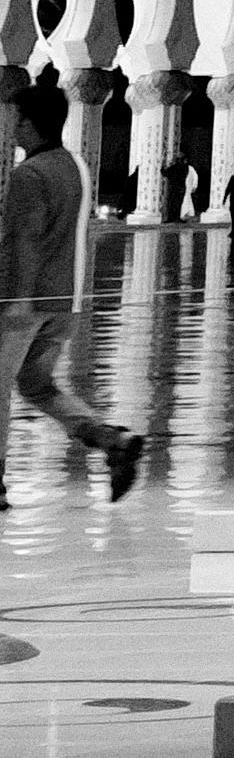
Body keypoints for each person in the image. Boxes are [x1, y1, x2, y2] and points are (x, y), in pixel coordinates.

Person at [0, 84, 133, 501]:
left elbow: (25, 240)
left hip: (27, 305)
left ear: (29, 122)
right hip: (68, 303)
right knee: (37, 384)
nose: (12, 127)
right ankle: (111, 440)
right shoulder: (75, 165)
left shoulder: (29, 175)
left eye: (16, 119)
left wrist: (18, 302)